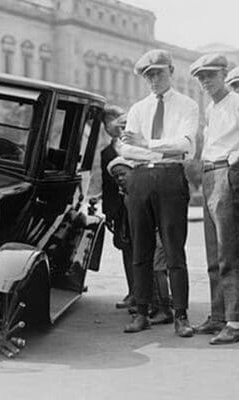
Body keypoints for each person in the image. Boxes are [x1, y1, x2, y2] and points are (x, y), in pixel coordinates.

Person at [117, 49, 198, 337]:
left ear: (171, 71)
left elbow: (186, 145)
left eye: (158, 73)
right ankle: (141, 313)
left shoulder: (187, 105)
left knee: (174, 249)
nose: (153, 79)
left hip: (170, 177)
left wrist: (146, 142)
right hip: (140, 177)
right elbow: (125, 148)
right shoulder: (139, 108)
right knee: (141, 249)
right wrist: (155, 145)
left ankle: (181, 316)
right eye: (148, 75)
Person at [191, 54, 239, 344]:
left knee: (228, 252)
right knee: (212, 253)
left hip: (226, 172)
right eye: (201, 77)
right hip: (210, 173)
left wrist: (234, 161)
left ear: (224, 74)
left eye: (211, 75)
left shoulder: (237, 101)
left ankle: (234, 321)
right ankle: (218, 315)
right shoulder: (211, 108)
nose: (206, 81)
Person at [107, 156, 173, 325]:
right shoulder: (127, 194)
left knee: (158, 271)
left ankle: (165, 309)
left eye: (123, 174)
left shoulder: (144, 190)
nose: (120, 179)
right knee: (150, 269)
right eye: (116, 177)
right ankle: (154, 305)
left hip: (158, 235)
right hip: (146, 236)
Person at [100, 107, 134, 309]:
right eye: (105, 123)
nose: (109, 126)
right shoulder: (105, 152)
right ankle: (133, 292)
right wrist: (108, 212)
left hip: (137, 204)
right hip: (119, 209)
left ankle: (151, 295)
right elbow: (106, 184)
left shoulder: (134, 146)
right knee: (126, 248)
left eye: (111, 120)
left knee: (144, 249)